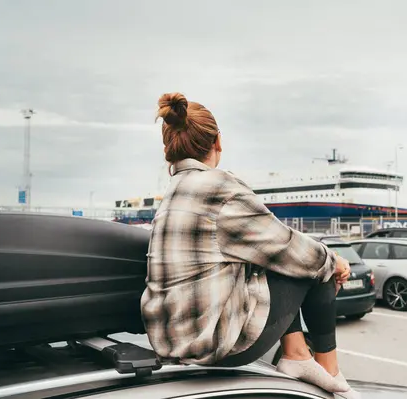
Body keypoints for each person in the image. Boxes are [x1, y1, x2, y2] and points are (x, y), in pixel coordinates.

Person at [140, 92, 359, 398]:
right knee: (314, 260)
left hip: (169, 340)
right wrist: (335, 262)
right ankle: (329, 370)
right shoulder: (220, 187)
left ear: (170, 146)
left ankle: (297, 355)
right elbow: (290, 247)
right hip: (214, 343)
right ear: (218, 142)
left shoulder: (173, 192)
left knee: (281, 256)